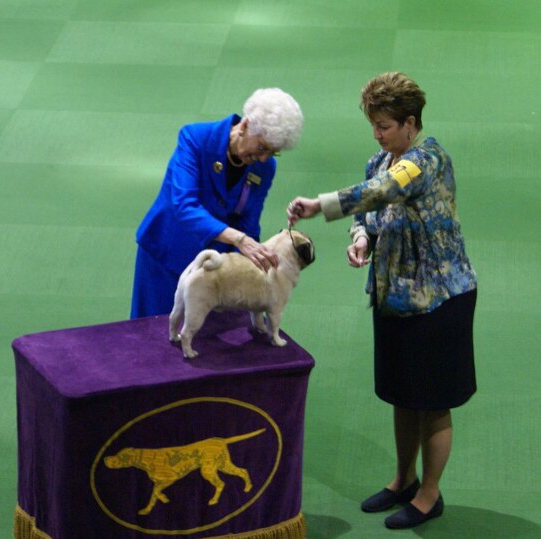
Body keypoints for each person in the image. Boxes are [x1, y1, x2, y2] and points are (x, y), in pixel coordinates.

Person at [287, 72, 477, 530]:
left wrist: (321, 204)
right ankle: (403, 481)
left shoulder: (427, 160)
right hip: (394, 298)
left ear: (410, 123)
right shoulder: (379, 159)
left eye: (385, 126)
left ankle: (431, 495)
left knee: (432, 402)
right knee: (401, 395)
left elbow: (383, 191)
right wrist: (361, 240)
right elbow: (371, 215)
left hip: (440, 299)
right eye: (373, 125)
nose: (377, 134)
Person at [131, 88, 304, 319]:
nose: (263, 158)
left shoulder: (264, 168)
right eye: (262, 148)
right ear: (244, 126)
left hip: (216, 268)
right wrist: (238, 239)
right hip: (167, 257)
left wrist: (253, 269)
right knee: (155, 338)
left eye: (273, 153)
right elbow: (184, 205)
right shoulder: (194, 139)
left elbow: (248, 222)